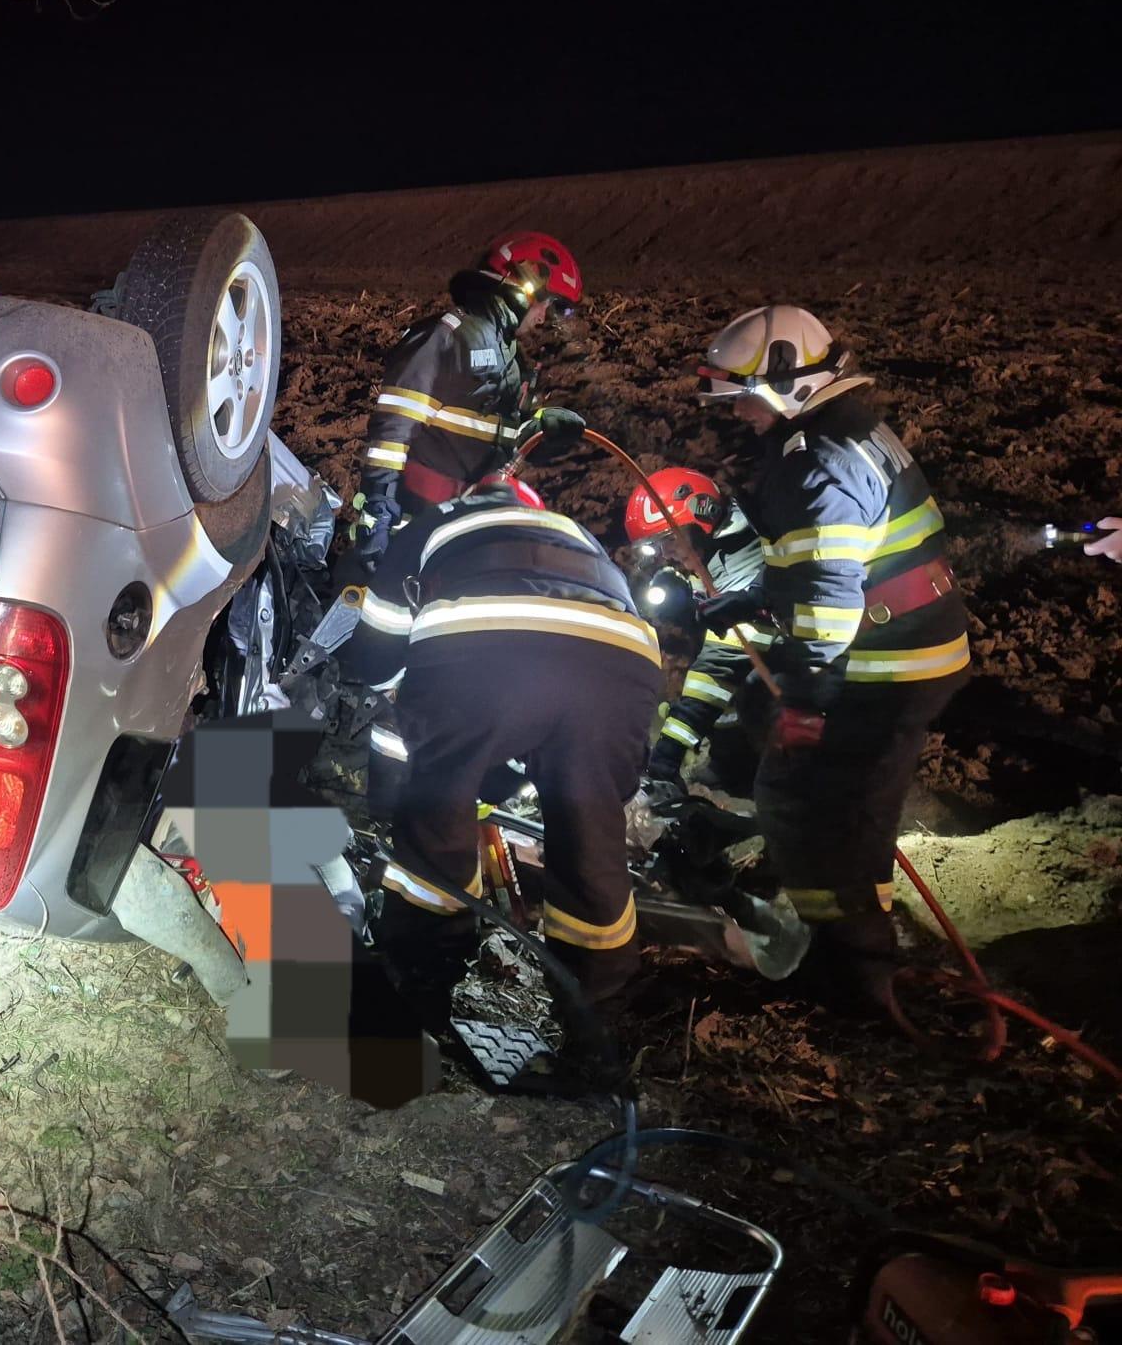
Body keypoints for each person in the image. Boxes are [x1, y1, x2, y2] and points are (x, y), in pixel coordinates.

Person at [694, 305, 969, 1017]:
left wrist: (807, 702)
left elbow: (828, 589)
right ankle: (856, 926)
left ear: (786, 384)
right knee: (841, 798)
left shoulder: (810, 460)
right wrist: (753, 598)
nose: (742, 416)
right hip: (913, 649)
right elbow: (827, 558)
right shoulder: (853, 432)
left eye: (745, 400)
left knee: (802, 806)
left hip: (883, 667)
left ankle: (861, 982)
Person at [341, 473, 665, 1073]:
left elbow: (379, 646)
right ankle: (598, 1024)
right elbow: (552, 689)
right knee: (590, 838)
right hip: (626, 663)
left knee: (435, 824)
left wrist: (410, 775)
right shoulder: (574, 534)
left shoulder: (435, 522)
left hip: (485, 647)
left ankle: (419, 997)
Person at [345, 232, 584, 569]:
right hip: (417, 524)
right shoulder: (445, 337)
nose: (543, 318)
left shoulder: (512, 360)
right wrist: (378, 512)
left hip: (468, 527)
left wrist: (542, 430)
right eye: (545, 304)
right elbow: (392, 430)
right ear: (523, 286)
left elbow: (499, 439)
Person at [619, 465, 772, 805]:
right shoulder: (719, 554)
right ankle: (731, 766)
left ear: (703, 515)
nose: (665, 555)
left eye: (668, 540)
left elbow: (720, 664)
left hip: (821, 675)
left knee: (752, 694)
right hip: (783, 670)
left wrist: (668, 752)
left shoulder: (746, 558)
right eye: (656, 548)